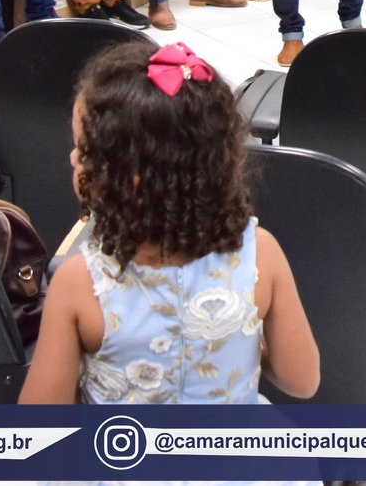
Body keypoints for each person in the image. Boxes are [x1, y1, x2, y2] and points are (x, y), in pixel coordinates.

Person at [18, 40, 320, 404]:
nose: (71, 158)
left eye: (83, 151)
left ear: (127, 181)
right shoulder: (261, 254)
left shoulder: (79, 283)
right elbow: (302, 380)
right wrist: (234, 331)